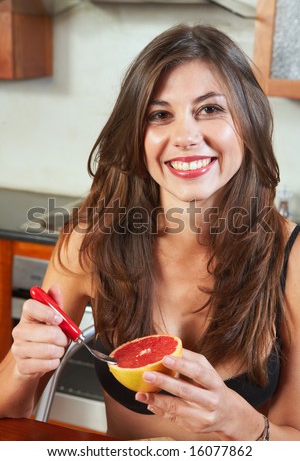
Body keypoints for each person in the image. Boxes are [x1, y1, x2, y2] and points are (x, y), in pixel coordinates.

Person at [0, 24, 300, 441]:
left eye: (210, 109)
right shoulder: (90, 241)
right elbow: (11, 414)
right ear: (138, 136)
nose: (186, 137)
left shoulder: (292, 257)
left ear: (247, 121)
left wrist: (246, 425)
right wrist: (22, 358)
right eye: (160, 115)